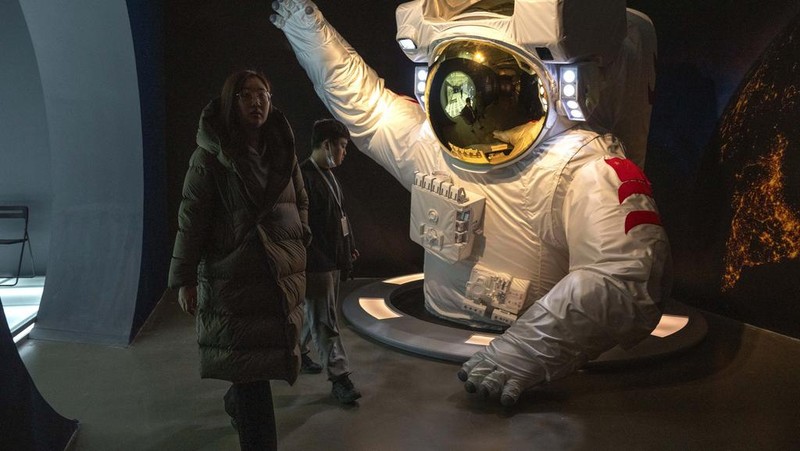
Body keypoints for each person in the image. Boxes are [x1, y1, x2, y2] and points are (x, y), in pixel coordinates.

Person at [271, 0, 667, 407]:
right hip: (439, 356)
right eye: (455, 85)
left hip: (509, 364)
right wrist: (306, 26)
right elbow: (359, 100)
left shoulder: (582, 166)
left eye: (491, 87)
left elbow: (624, 275)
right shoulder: (432, 145)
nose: (470, 108)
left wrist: (525, 350)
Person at [168, 69, 309, 450]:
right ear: (231, 101)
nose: (256, 101)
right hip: (233, 280)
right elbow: (191, 219)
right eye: (246, 94)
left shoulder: (283, 152)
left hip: (276, 277)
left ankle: (236, 400)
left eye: (262, 93)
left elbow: (301, 203)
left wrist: (300, 248)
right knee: (251, 375)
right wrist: (184, 280)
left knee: (253, 367)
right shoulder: (210, 156)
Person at [298, 118, 362, 404]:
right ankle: (340, 377)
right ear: (327, 145)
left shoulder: (326, 174)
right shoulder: (303, 178)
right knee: (325, 320)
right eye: (342, 146)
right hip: (317, 264)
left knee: (317, 313)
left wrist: (348, 248)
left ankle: (296, 352)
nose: (344, 153)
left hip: (331, 260)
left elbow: (339, 218)